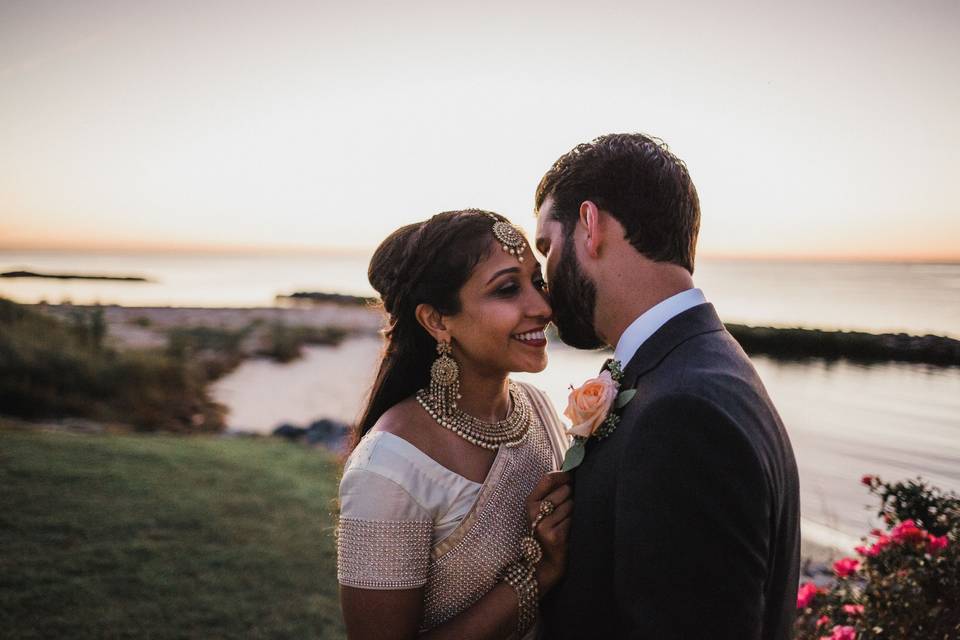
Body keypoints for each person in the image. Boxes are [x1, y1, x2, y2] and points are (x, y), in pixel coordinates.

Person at [534, 133, 801, 639]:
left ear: (590, 225)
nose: (544, 278)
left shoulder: (682, 412)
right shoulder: (702, 364)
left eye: (547, 246)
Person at [337, 209, 572, 639]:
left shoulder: (539, 410)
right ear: (437, 321)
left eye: (537, 282)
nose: (542, 307)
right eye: (506, 290)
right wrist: (534, 577)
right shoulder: (388, 467)